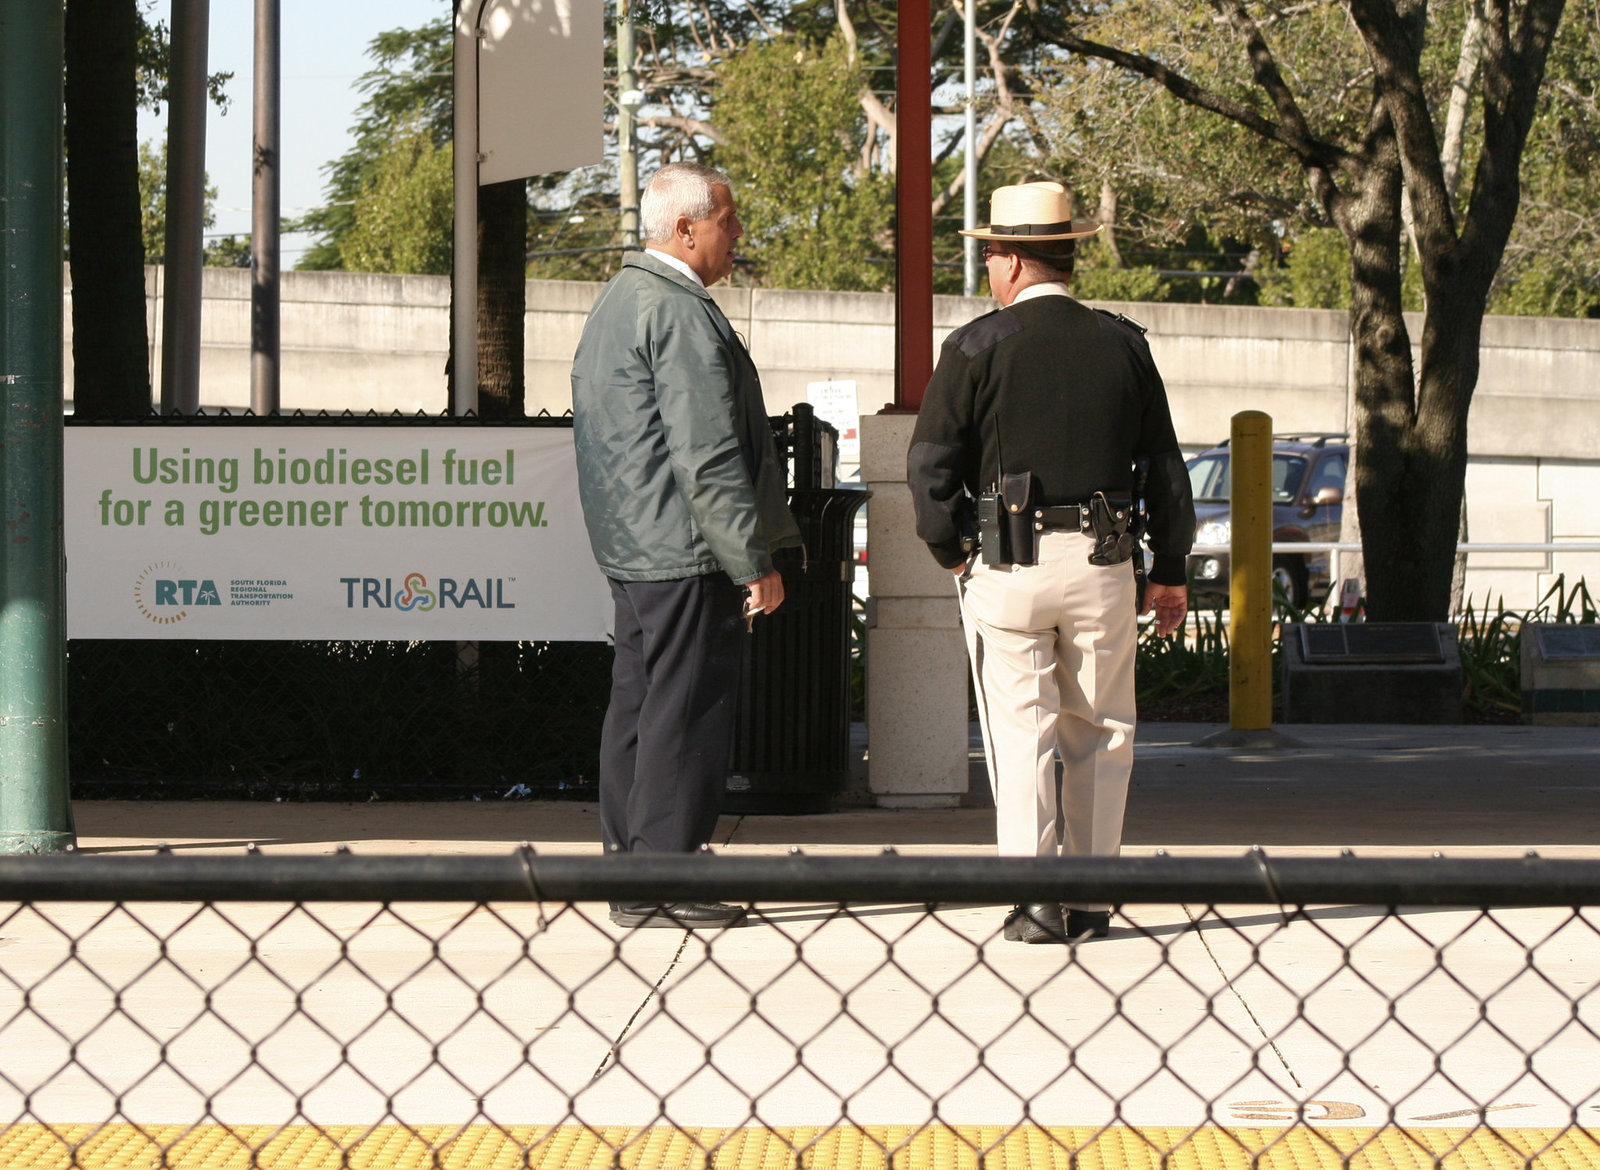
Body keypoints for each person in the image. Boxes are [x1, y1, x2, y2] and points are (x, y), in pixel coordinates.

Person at [907, 181, 1196, 944]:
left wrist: (954, 553)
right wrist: (1170, 568)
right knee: (1103, 731)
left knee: (1021, 730)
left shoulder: (974, 346)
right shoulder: (1124, 344)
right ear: (1067, 256)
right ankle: (1093, 900)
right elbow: (1165, 467)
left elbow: (930, 465)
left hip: (1009, 563)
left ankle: (1036, 902)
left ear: (1007, 260)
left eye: (991, 254)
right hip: (1105, 561)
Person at [571, 162, 801, 930]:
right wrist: (753, 559)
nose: (737, 235)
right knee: (686, 711)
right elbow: (706, 453)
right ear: (686, 229)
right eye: (728, 221)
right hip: (685, 546)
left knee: (639, 706)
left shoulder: (619, 302)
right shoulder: (676, 310)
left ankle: (634, 867)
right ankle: (664, 878)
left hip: (636, 548)